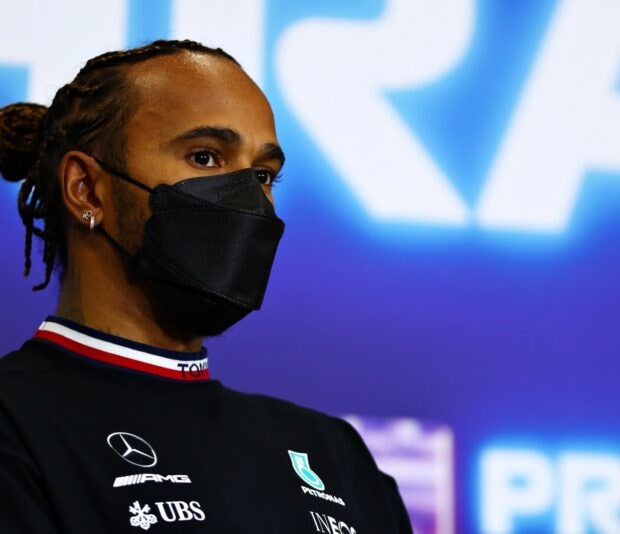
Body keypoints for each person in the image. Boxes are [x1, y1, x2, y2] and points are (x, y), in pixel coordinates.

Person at [0, 39, 412, 533]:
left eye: (263, 174)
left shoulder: (336, 458)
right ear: (86, 189)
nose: (250, 202)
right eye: (204, 157)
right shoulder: (14, 424)